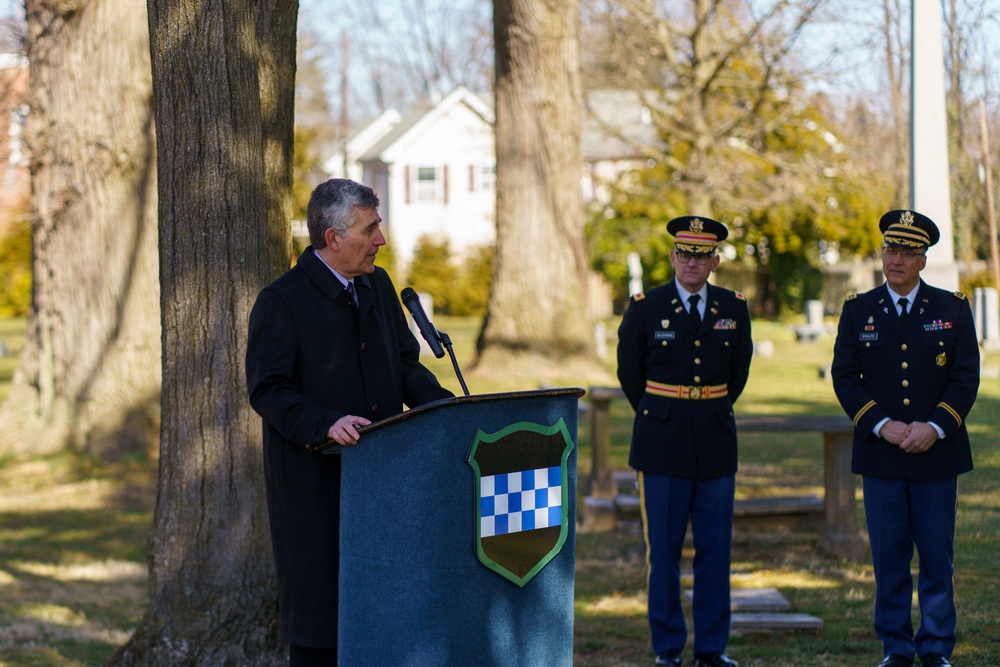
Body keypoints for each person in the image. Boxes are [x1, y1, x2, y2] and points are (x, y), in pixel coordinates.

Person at [245, 178, 454, 666]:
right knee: (323, 628)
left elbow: (404, 365)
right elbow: (268, 390)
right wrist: (324, 423)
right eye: (371, 228)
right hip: (316, 492)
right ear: (333, 238)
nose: (381, 239)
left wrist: (447, 411)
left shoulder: (377, 285)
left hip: (384, 484)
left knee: (383, 619)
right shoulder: (281, 302)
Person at [831, 210, 980, 667]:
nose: (895, 260)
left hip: (937, 455)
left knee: (937, 558)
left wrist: (935, 427)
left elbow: (964, 377)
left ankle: (935, 646)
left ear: (923, 260)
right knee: (889, 560)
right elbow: (845, 376)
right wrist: (881, 424)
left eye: (907, 252)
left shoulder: (951, 309)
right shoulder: (858, 310)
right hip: (882, 456)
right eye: (890, 250)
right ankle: (895, 647)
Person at [617, 216, 753, 667]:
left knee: (715, 551)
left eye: (701, 255)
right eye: (683, 253)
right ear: (673, 256)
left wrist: (705, 405)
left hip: (715, 440)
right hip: (661, 442)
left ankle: (712, 648)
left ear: (714, 261)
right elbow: (630, 374)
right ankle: (668, 648)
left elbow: (737, 375)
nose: (691, 262)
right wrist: (663, 410)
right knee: (666, 552)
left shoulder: (734, 309)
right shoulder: (645, 307)